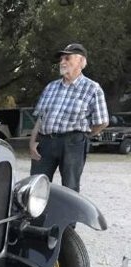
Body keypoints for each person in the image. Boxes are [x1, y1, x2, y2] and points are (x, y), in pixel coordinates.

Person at [29, 43, 108, 192]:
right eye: (61, 59)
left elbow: (102, 122)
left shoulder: (92, 88)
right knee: (36, 185)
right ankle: (38, 209)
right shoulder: (51, 87)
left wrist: (83, 135)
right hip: (46, 142)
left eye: (67, 58)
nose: (62, 62)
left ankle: (67, 210)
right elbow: (41, 118)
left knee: (70, 188)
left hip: (73, 143)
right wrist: (33, 143)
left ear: (81, 61)